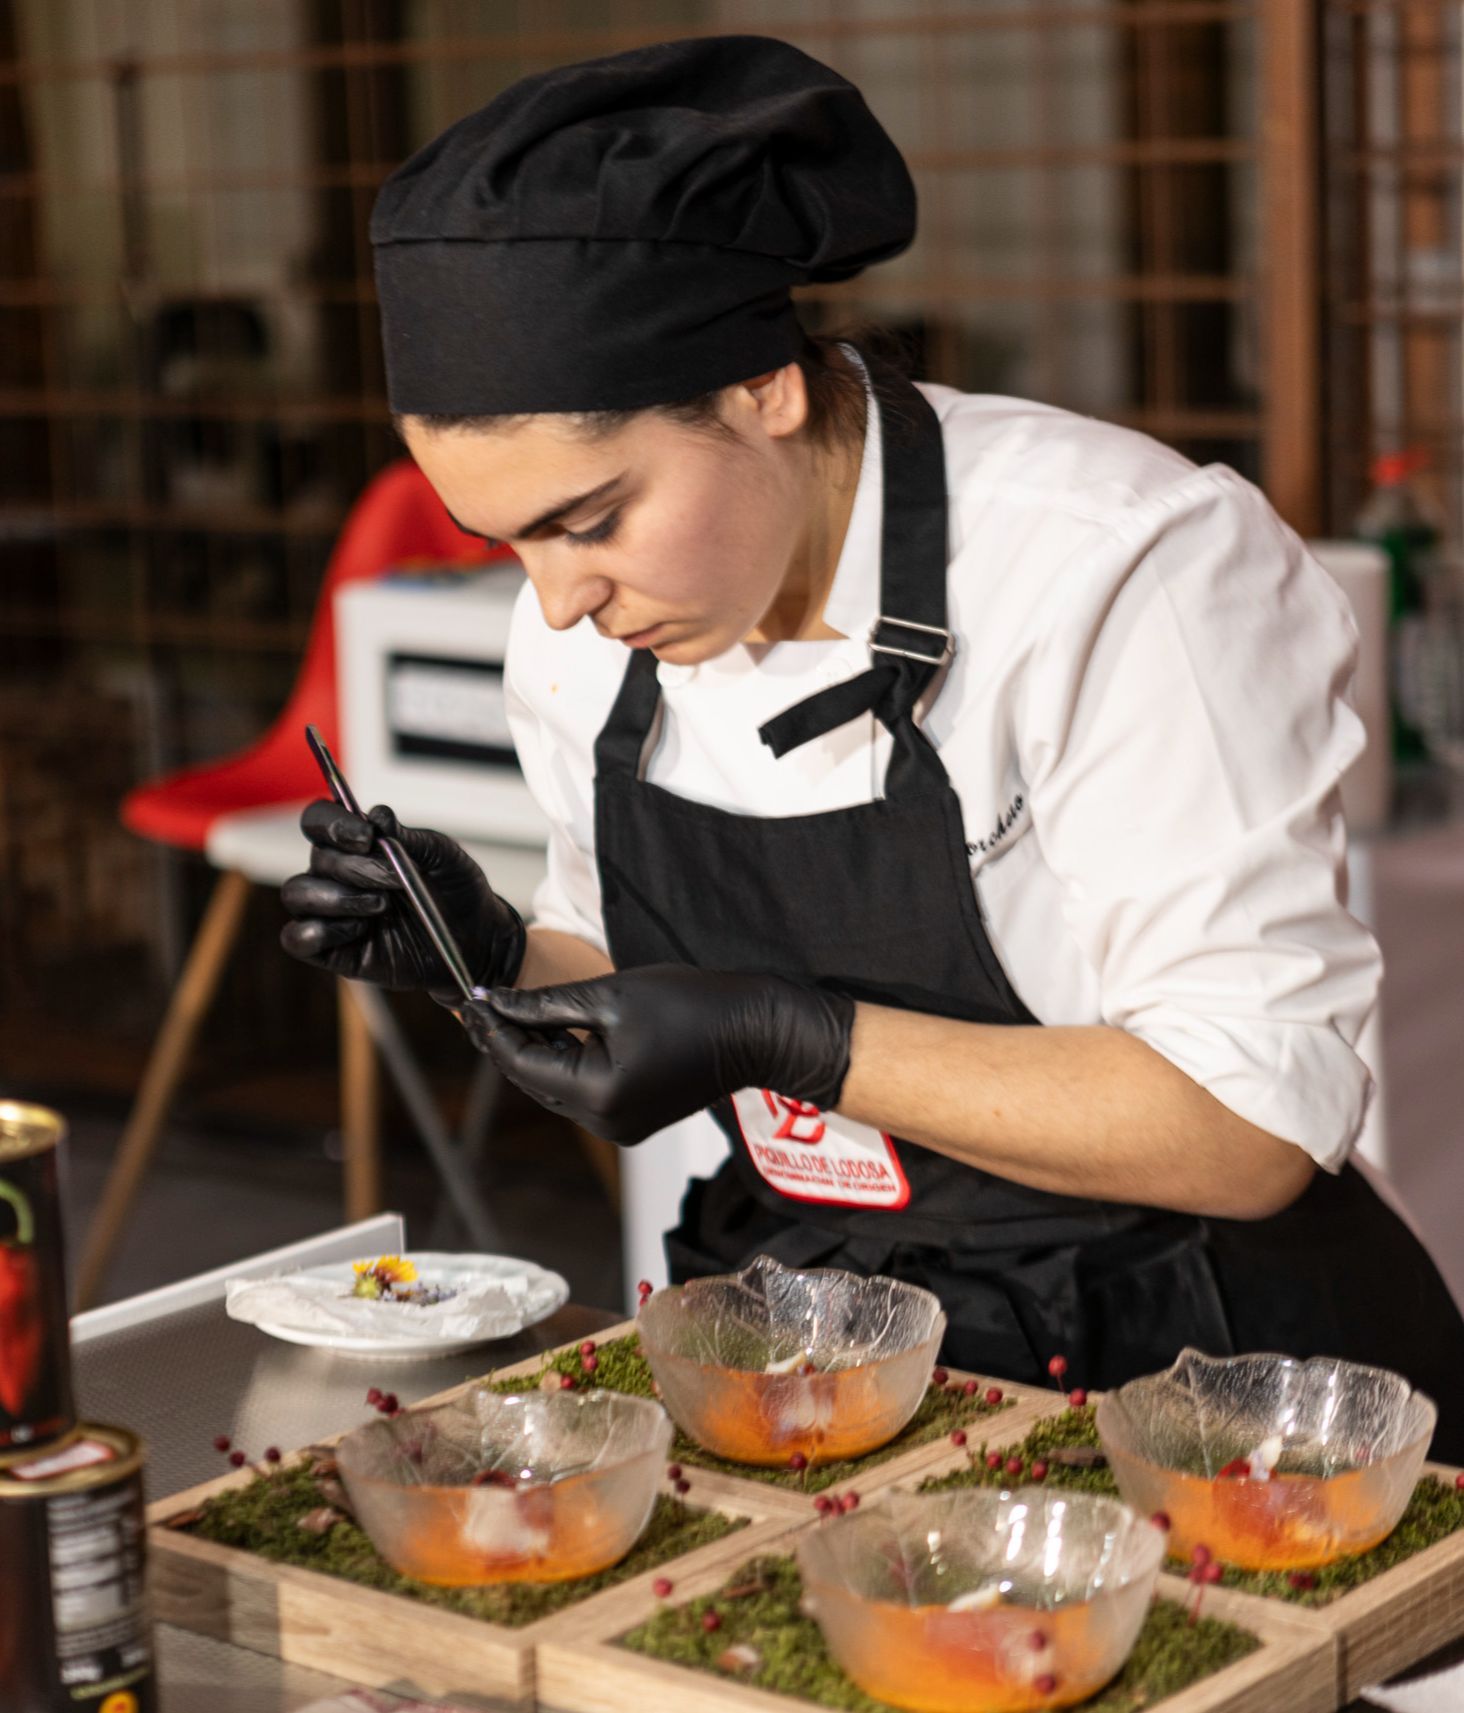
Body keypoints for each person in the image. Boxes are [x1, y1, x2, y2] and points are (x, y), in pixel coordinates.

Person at [281, 35, 1464, 1452]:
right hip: (824, 1349)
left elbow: (1249, 1122)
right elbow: (647, 983)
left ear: (762, 389)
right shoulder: (586, 636)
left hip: (1203, 1384)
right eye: (506, 540)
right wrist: (485, 954)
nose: (556, 601)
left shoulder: (1121, 572)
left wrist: (791, 1033)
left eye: (590, 519)